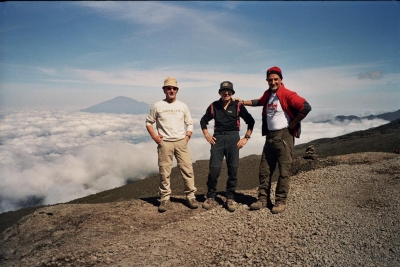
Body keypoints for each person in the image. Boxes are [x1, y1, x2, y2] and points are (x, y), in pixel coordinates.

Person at [236, 66, 311, 214]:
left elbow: (306, 107)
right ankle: (263, 199)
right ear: (267, 81)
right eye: (270, 80)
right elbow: (260, 101)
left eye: (276, 79)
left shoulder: (288, 94)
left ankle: (280, 201)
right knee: (265, 169)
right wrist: (242, 102)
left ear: (281, 80)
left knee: (284, 169)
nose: (273, 82)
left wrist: (293, 124)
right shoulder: (268, 94)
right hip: (270, 136)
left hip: (284, 136)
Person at [200, 81, 255, 212]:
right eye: (224, 91)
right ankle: (211, 196)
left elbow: (251, 121)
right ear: (220, 92)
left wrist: (246, 138)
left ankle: (230, 197)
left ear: (232, 93)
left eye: (229, 91)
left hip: (233, 138)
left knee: (233, 169)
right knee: (214, 169)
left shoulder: (238, 106)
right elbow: (203, 121)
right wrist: (207, 135)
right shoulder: (214, 106)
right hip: (217, 138)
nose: (226, 93)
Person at [146, 77, 198, 212]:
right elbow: (148, 122)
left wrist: (187, 137)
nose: (171, 90)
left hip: (181, 141)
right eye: (169, 88)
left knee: (187, 169)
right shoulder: (157, 106)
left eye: (174, 88)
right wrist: (155, 137)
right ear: (164, 90)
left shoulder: (182, 106)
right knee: (164, 171)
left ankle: (191, 196)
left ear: (177, 90)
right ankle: (164, 198)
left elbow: (190, 122)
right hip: (165, 143)